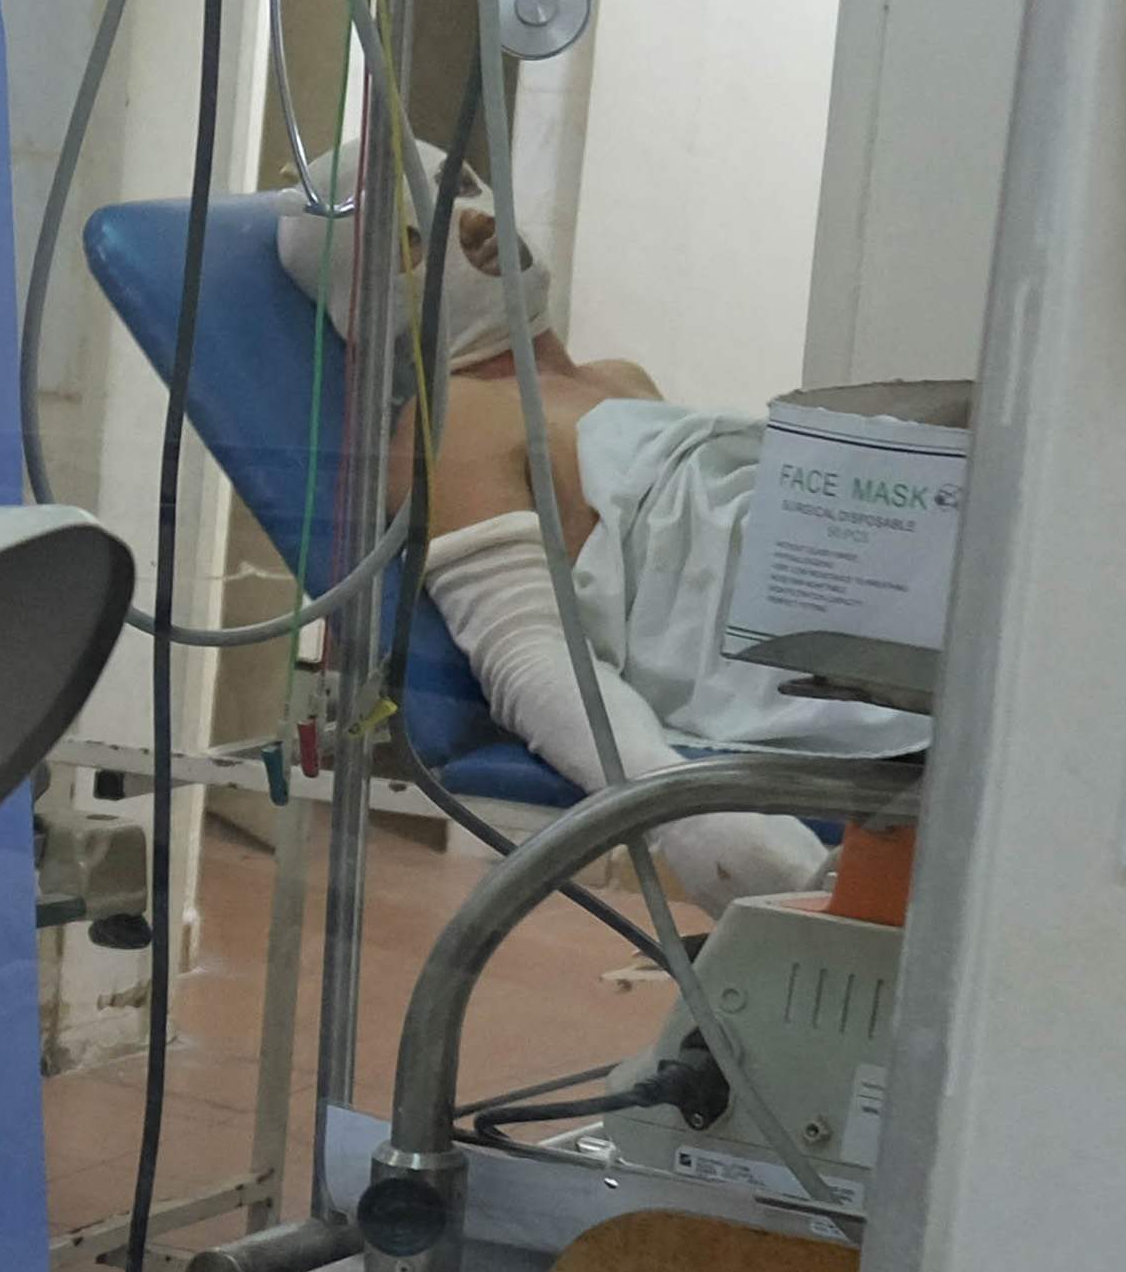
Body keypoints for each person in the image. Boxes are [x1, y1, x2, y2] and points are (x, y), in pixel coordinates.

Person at [280, 150, 921, 905]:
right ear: (377, 292)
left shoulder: (620, 378)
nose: (477, 221)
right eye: (420, 225)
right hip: (834, 627)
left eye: (466, 187)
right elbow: (527, 657)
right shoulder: (454, 422)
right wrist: (673, 807)